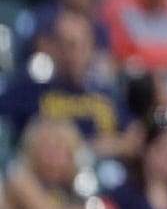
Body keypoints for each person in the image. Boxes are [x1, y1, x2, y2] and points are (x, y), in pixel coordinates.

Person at [0, 10, 127, 151]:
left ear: (92, 48)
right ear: (52, 47)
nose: (73, 53)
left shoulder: (107, 93)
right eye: (67, 44)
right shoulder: (29, 90)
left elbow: (133, 137)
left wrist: (108, 147)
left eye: (82, 45)